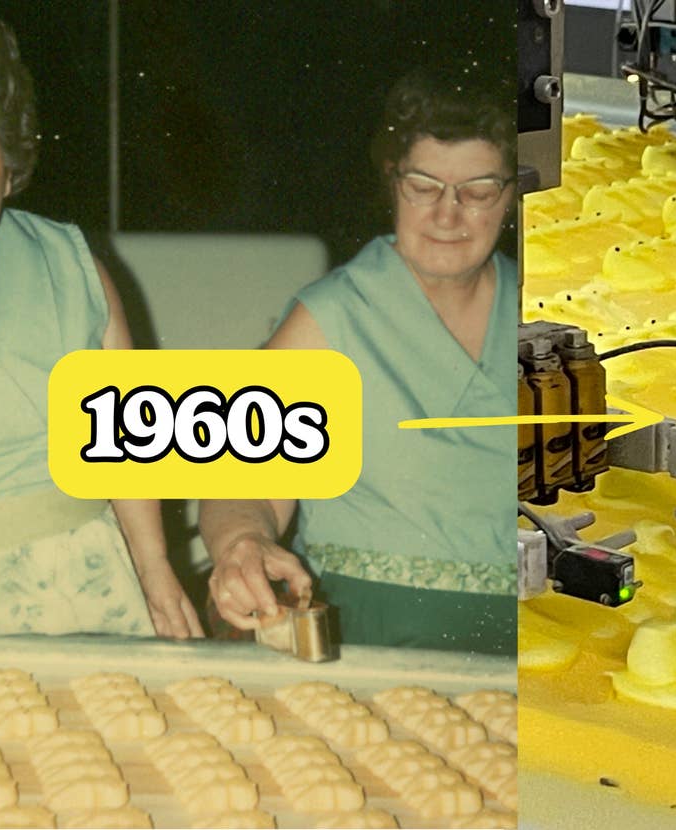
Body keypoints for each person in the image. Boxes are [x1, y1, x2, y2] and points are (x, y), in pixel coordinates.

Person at [0, 0, 202, 638]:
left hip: (92, 596)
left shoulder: (70, 263)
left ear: (8, 168)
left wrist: (155, 569)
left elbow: (128, 445)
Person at [200, 70, 517, 653]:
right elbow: (240, 477)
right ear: (392, 181)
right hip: (370, 642)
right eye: (424, 186)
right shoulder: (331, 319)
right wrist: (243, 542)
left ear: (511, 195)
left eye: (477, 191)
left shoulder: (542, 309)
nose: (448, 216)